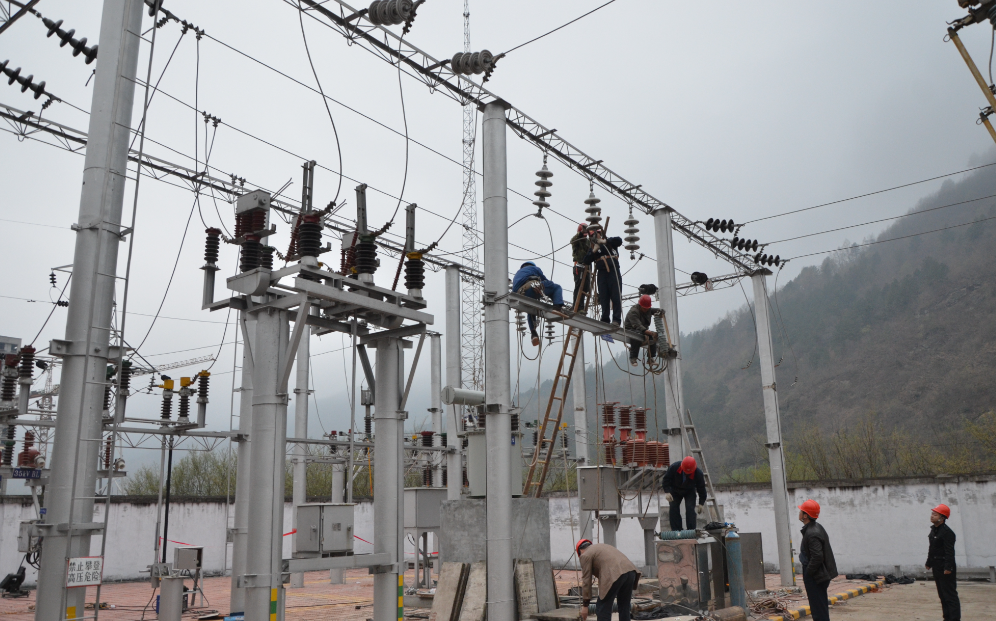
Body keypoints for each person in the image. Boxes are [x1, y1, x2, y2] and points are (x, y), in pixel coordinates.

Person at [576, 539, 640, 621]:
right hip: (631, 572)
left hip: (614, 574)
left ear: (580, 551)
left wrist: (585, 605)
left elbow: (586, 580)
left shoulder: (585, 555)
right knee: (624, 606)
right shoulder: (601, 547)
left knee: (602, 608)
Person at [798, 499, 838, 621]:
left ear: (805, 515)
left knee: (818, 611)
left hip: (816, 577)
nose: (799, 513)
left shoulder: (812, 533)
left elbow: (817, 557)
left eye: (801, 511)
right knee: (820, 608)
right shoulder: (814, 528)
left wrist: (809, 572)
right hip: (818, 575)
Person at [511, 261, 564, 347]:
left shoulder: (517, 275)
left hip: (522, 295)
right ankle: (557, 307)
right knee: (556, 287)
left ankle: (533, 333)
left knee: (531, 309)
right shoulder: (534, 268)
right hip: (533, 287)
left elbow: (514, 291)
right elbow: (544, 280)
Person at [926, 503, 961, 621]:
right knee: (942, 595)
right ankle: (947, 618)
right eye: (932, 514)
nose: (932, 516)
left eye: (935, 514)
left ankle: (955, 619)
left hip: (945, 567)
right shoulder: (934, 530)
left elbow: (949, 552)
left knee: (950, 596)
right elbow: (932, 548)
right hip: (936, 566)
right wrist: (928, 562)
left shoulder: (947, 532)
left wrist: (948, 568)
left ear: (942, 517)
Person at [582, 232, 624, 328]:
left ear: (599, 234)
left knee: (616, 296)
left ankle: (616, 320)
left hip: (613, 271)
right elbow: (586, 261)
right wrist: (593, 251)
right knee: (604, 297)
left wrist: (605, 241)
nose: (592, 237)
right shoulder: (593, 247)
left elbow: (619, 240)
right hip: (602, 273)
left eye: (594, 234)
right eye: (591, 235)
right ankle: (605, 319)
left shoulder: (610, 243)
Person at [661, 456, 706, 531]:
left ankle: (691, 531)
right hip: (675, 489)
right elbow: (666, 479)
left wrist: (701, 503)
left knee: (690, 509)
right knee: (673, 507)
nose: (687, 474)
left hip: (689, 490)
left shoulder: (698, 474)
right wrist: (667, 492)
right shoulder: (674, 467)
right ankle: (676, 530)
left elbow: (701, 488)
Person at [623, 295, 660, 366]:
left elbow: (652, 310)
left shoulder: (647, 309)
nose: (646, 310)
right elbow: (638, 326)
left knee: (652, 338)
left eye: (647, 308)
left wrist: (659, 310)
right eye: (644, 308)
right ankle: (633, 358)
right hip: (631, 329)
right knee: (637, 336)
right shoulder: (633, 312)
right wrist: (649, 332)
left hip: (641, 329)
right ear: (640, 305)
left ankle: (650, 358)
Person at [570, 224, 593, 311]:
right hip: (579, 266)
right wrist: (581, 233)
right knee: (579, 286)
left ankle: (581, 307)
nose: (584, 237)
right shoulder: (577, 240)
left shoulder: (588, 241)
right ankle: (576, 306)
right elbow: (572, 241)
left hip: (587, 267)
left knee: (586, 287)